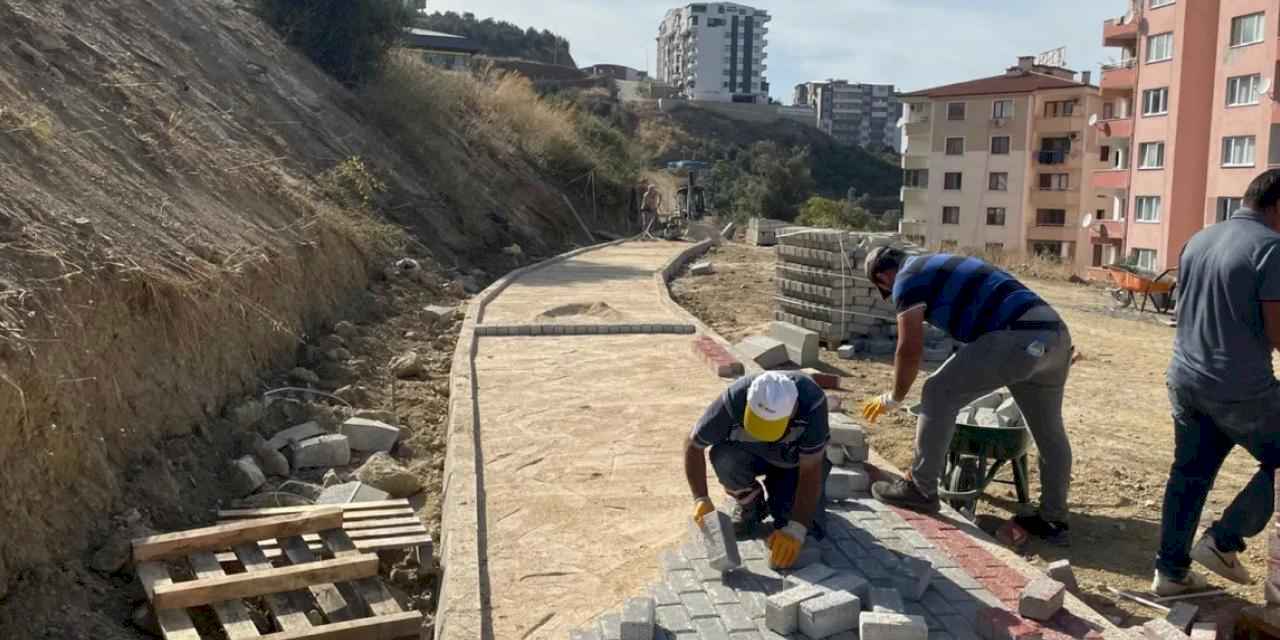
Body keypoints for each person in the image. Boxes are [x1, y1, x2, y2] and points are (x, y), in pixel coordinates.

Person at [860, 248, 1075, 545]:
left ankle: (921, 489)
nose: (891, 295)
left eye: (885, 290)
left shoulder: (906, 278)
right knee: (1049, 431)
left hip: (1017, 336)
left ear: (884, 276)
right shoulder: (938, 264)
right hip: (1056, 337)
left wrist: (893, 397)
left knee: (937, 392)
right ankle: (1053, 519)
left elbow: (909, 348)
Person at [1153, 169, 1280, 596]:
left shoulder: (1199, 240)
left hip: (1186, 378)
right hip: (1239, 388)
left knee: (1189, 475)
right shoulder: (1273, 249)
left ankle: (1169, 573)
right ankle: (1224, 541)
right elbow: (1278, 332)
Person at [685, 371, 831, 569]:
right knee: (724, 457)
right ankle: (752, 506)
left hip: (794, 465)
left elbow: (811, 471)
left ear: (793, 410)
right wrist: (701, 498)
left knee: (806, 533)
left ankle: (782, 498)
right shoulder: (735, 398)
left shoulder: (812, 403)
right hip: (753, 455)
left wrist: (797, 527)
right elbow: (693, 444)